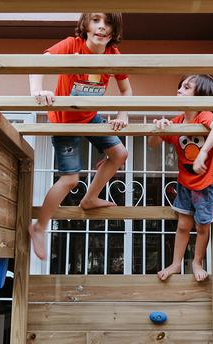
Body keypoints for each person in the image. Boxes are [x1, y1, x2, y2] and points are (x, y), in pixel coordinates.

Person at [28, 13, 132, 260]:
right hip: (64, 120)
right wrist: (37, 91)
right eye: (96, 20)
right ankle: (39, 227)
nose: (101, 27)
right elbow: (38, 63)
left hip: (89, 117)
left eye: (108, 23)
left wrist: (123, 114)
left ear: (114, 30)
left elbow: (126, 89)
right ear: (86, 25)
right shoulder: (71, 45)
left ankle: (90, 198)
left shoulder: (113, 56)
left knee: (120, 153)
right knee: (70, 179)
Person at [148, 75, 213, 282]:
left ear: (201, 96)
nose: (179, 90)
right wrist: (159, 128)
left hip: (206, 184)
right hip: (185, 184)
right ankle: (176, 264)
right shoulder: (178, 120)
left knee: (202, 226)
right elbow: (153, 143)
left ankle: (197, 262)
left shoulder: (204, 116)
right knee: (183, 225)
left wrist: (204, 153)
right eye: (180, 86)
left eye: (186, 87)